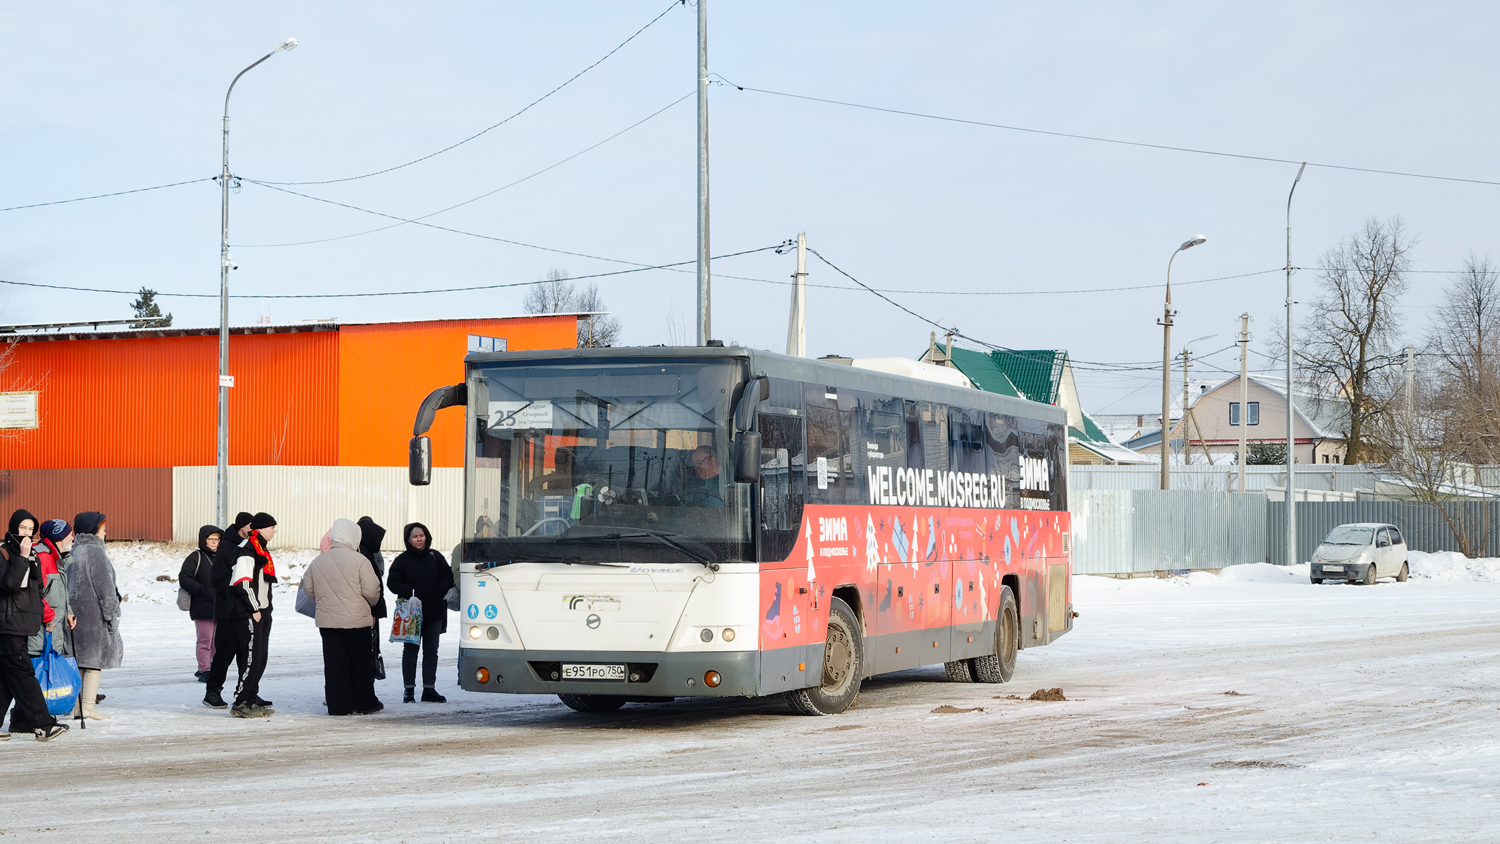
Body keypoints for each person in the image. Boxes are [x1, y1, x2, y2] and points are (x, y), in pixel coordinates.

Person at [300, 519, 382, 716]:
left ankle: (338, 706)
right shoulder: (360, 560)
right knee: (359, 663)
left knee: (334, 665)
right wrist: (369, 604)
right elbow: (372, 590)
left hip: (328, 622)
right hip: (356, 621)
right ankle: (364, 702)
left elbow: (309, 590)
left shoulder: (318, 561)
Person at [0, 509, 67, 741]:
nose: (27, 534)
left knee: (7, 677)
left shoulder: (33, 556)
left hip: (25, 624)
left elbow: (37, 592)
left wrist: (46, 618)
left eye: (30, 530)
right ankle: (43, 725)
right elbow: (9, 584)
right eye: (22, 529)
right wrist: (21, 557)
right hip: (7, 625)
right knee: (24, 675)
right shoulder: (4, 554)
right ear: (13, 529)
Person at [387, 522, 454, 703]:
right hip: (412, 614)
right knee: (411, 650)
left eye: (422, 535)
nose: (419, 539)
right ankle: (409, 690)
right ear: (409, 540)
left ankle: (429, 689)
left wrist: (439, 590)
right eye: (415, 536)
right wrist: (410, 591)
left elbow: (448, 575)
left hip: (434, 612)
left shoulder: (435, 556)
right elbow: (392, 582)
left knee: (431, 650)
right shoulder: (402, 560)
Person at [66, 511, 121, 721]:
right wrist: (112, 615)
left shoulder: (73, 550)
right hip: (94, 617)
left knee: (81, 662)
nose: (105, 532)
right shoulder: (95, 553)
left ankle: (78, 707)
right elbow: (105, 589)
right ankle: (88, 707)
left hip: (74, 617)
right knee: (94, 663)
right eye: (103, 528)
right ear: (93, 530)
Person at [229, 512, 278, 718]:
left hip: (262, 610)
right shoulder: (247, 552)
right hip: (250, 612)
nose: (274, 531)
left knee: (260, 657)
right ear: (259, 530)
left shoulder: (261, 551)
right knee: (252, 658)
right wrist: (254, 608)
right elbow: (242, 582)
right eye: (271, 527)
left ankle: (251, 697)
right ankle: (241, 701)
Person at [203, 512, 253, 709]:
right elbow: (217, 580)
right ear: (241, 526)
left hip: (244, 610)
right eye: (250, 526)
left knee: (246, 654)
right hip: (227, 611)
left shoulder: (248, 545)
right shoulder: (227, 546)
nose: (253, 530)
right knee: (224, 654)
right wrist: (236, 591)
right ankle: (212, 692)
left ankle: (246, 693)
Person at [179, 525, 221, 682]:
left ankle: (214, 667)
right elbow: (184, 577)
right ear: (204, 540)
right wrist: (200, 589)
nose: (214, 542)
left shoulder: (222, 557)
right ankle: (204, 669)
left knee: (217, 642)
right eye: (211, 539)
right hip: (202, 607)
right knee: (205, 640)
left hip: (220, 607)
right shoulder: (195, 557)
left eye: (217, 539)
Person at [32, 519, 75, 658]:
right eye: (70, 534)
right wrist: (49, 618)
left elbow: (57, 591)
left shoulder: (56, 558)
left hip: (51, 635)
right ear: (60, 537)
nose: (73, 538)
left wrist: (67, 611)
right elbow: (34, 594)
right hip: (40, 638)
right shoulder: (42, 557)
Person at [355, 516, 388, 680]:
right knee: (365, 652)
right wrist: (374, 612)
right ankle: (364, 693)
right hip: (364, 613)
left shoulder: (360, 551)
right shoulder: (363, 556)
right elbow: (372, 588)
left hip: (359, 612)